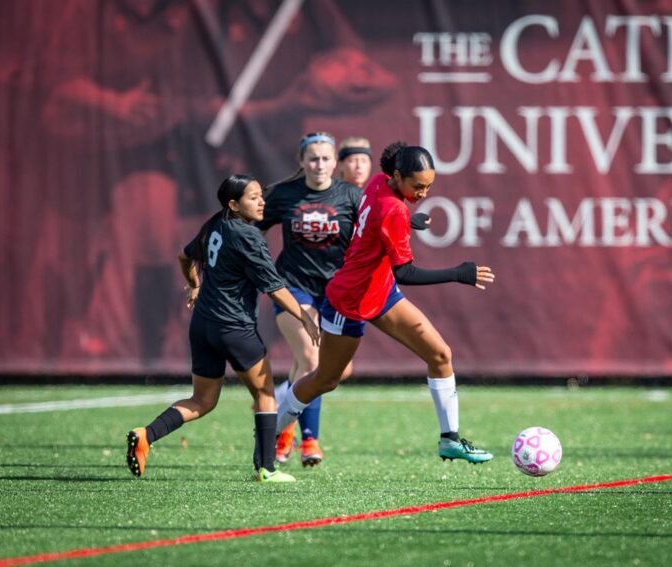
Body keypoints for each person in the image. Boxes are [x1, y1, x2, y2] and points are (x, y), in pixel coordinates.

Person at [276, 142, 495, 464]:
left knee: (440, 354)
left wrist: (408, 222)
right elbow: (405, 272)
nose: (422, 193)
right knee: (325, 378)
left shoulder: (380, 183)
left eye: (428, 186)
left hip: (381, 293)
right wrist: (458, 273)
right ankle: (270, 434)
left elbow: (376, 224)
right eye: (417, 186)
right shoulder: (392, 209)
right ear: (397, 175)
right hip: (349, 300)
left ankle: (450, 440)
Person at [126, 174, 319, 483]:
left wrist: (194, 286)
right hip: (234, 327)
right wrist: (304, 317)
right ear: (234, 204)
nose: (261, 202)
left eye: (260, 195)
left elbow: (185, 257)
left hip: (203, 325)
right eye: (253, 197)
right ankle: (267, 469)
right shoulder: (249, 235)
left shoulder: (216, 223)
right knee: (265, 393)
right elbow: (274, 287)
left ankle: (146, 434)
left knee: (202, 401)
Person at [256, 132, 363, 467]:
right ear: (301, 162)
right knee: (312, 360)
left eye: (325, 158)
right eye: (313, 158)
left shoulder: (351, 195)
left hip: (336, 292)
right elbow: (250, 226)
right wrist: (253, 263)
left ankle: (282, 425)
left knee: (337, 370)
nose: (319, 164)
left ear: (336, 163)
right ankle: (309, 440)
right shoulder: (285, 195)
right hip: (291, 287)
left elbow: (377, 230)